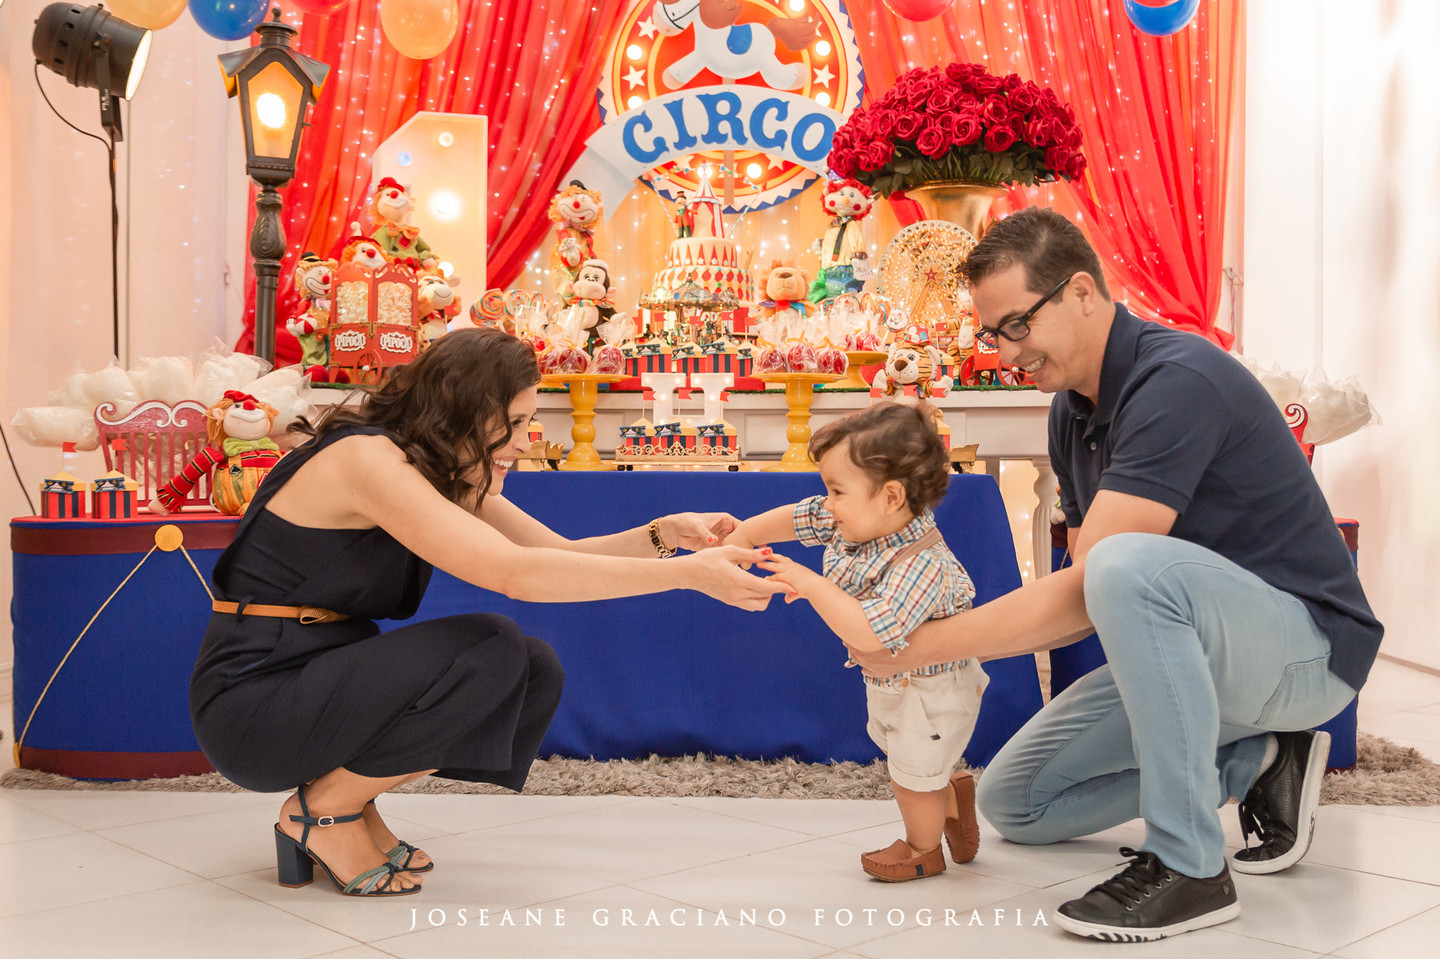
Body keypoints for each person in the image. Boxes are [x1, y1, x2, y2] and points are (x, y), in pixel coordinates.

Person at [846, 208, 1383, 940]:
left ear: (1081, 293)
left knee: (1125, 563)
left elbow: (1098, 579)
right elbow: (1087, 592)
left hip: (1305, 650)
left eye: (1015, 326)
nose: (1005, 353)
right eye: (992, 333)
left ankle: (1190, 864)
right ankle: (1259, 760)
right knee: (1017, 802)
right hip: (1209, 659)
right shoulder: (1071, 409)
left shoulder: (1178, 380)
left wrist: (914, 645)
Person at [190, 328, 783, 899]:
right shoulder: (365, 460)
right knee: (491, 646)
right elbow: (515, 576)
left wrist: (667, 535)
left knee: (529, 667)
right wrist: (685, 578)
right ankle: (323, 812)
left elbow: (556, 555)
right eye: (516, 422)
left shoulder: (431, 468)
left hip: (315, 677)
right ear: (463, 410)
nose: (526, 441)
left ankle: (345, 798)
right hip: (255, 697)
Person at [728, 402, 989, 882]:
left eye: (835, 491)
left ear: (890, 496)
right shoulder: (857, 518)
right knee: (907, 762)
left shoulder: (920, 561)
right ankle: (950, 796)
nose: (826, 503)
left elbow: (871, 630)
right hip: (894, 682)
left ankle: (922, 850)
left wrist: (811, 584)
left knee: (910, 777)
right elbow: (797, 518)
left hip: (933, 692)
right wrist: (744, 535)